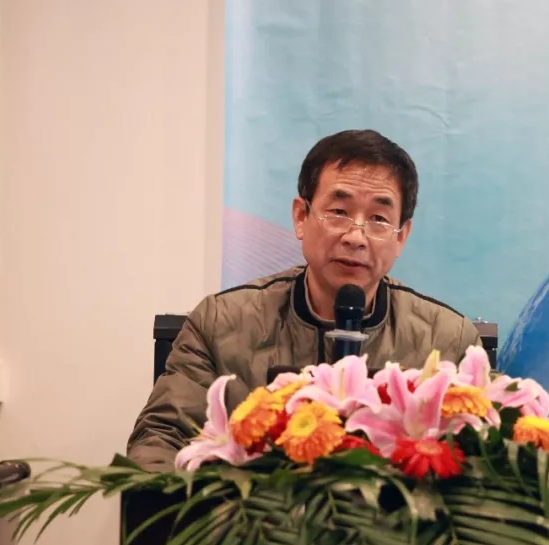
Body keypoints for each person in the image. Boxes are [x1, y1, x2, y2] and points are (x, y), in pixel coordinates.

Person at [127, 129, 483, 469]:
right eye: (339, 212)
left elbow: (485, 457)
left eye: (378, 218)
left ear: (400, 236)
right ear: (301, 216)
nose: (355, 237)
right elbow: (160, 439)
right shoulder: (220, 325)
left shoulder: (447, 341)